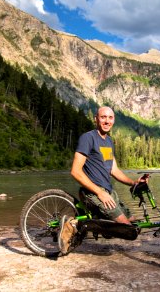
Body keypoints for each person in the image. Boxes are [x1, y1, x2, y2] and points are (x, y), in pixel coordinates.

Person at [58, 106, 148, 254]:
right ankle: (72, 224)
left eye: (110, 118)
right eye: (103, 117)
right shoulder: (88, 138)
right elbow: (75, 171)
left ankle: (101, 225)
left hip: (109, 192)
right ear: (96, 119)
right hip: (93, 193)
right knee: (128, 230)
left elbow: (114, 170)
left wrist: (134, 183)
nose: (107, 121)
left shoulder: (109, 142)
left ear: (114, 120)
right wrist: (100, 192)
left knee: (133, 220)